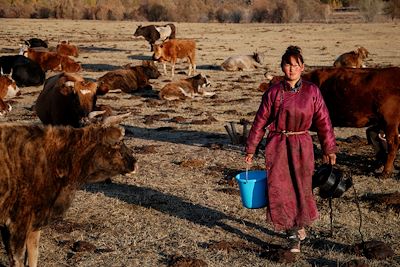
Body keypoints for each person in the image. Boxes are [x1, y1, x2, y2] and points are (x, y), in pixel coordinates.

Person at [244, 45, 337, 253]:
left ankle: (300, 222)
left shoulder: (312, 91)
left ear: (302, 67)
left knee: (302, 186)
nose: (291, 69)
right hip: (277, 145)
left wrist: (329, 148)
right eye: (287, 64)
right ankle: (292, 233)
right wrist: (251, 148)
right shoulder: (274, 92)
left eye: (296, 65)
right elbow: (260, 121)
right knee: (281, 187)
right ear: (282, 67)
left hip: (302, 144)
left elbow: (324, 121)